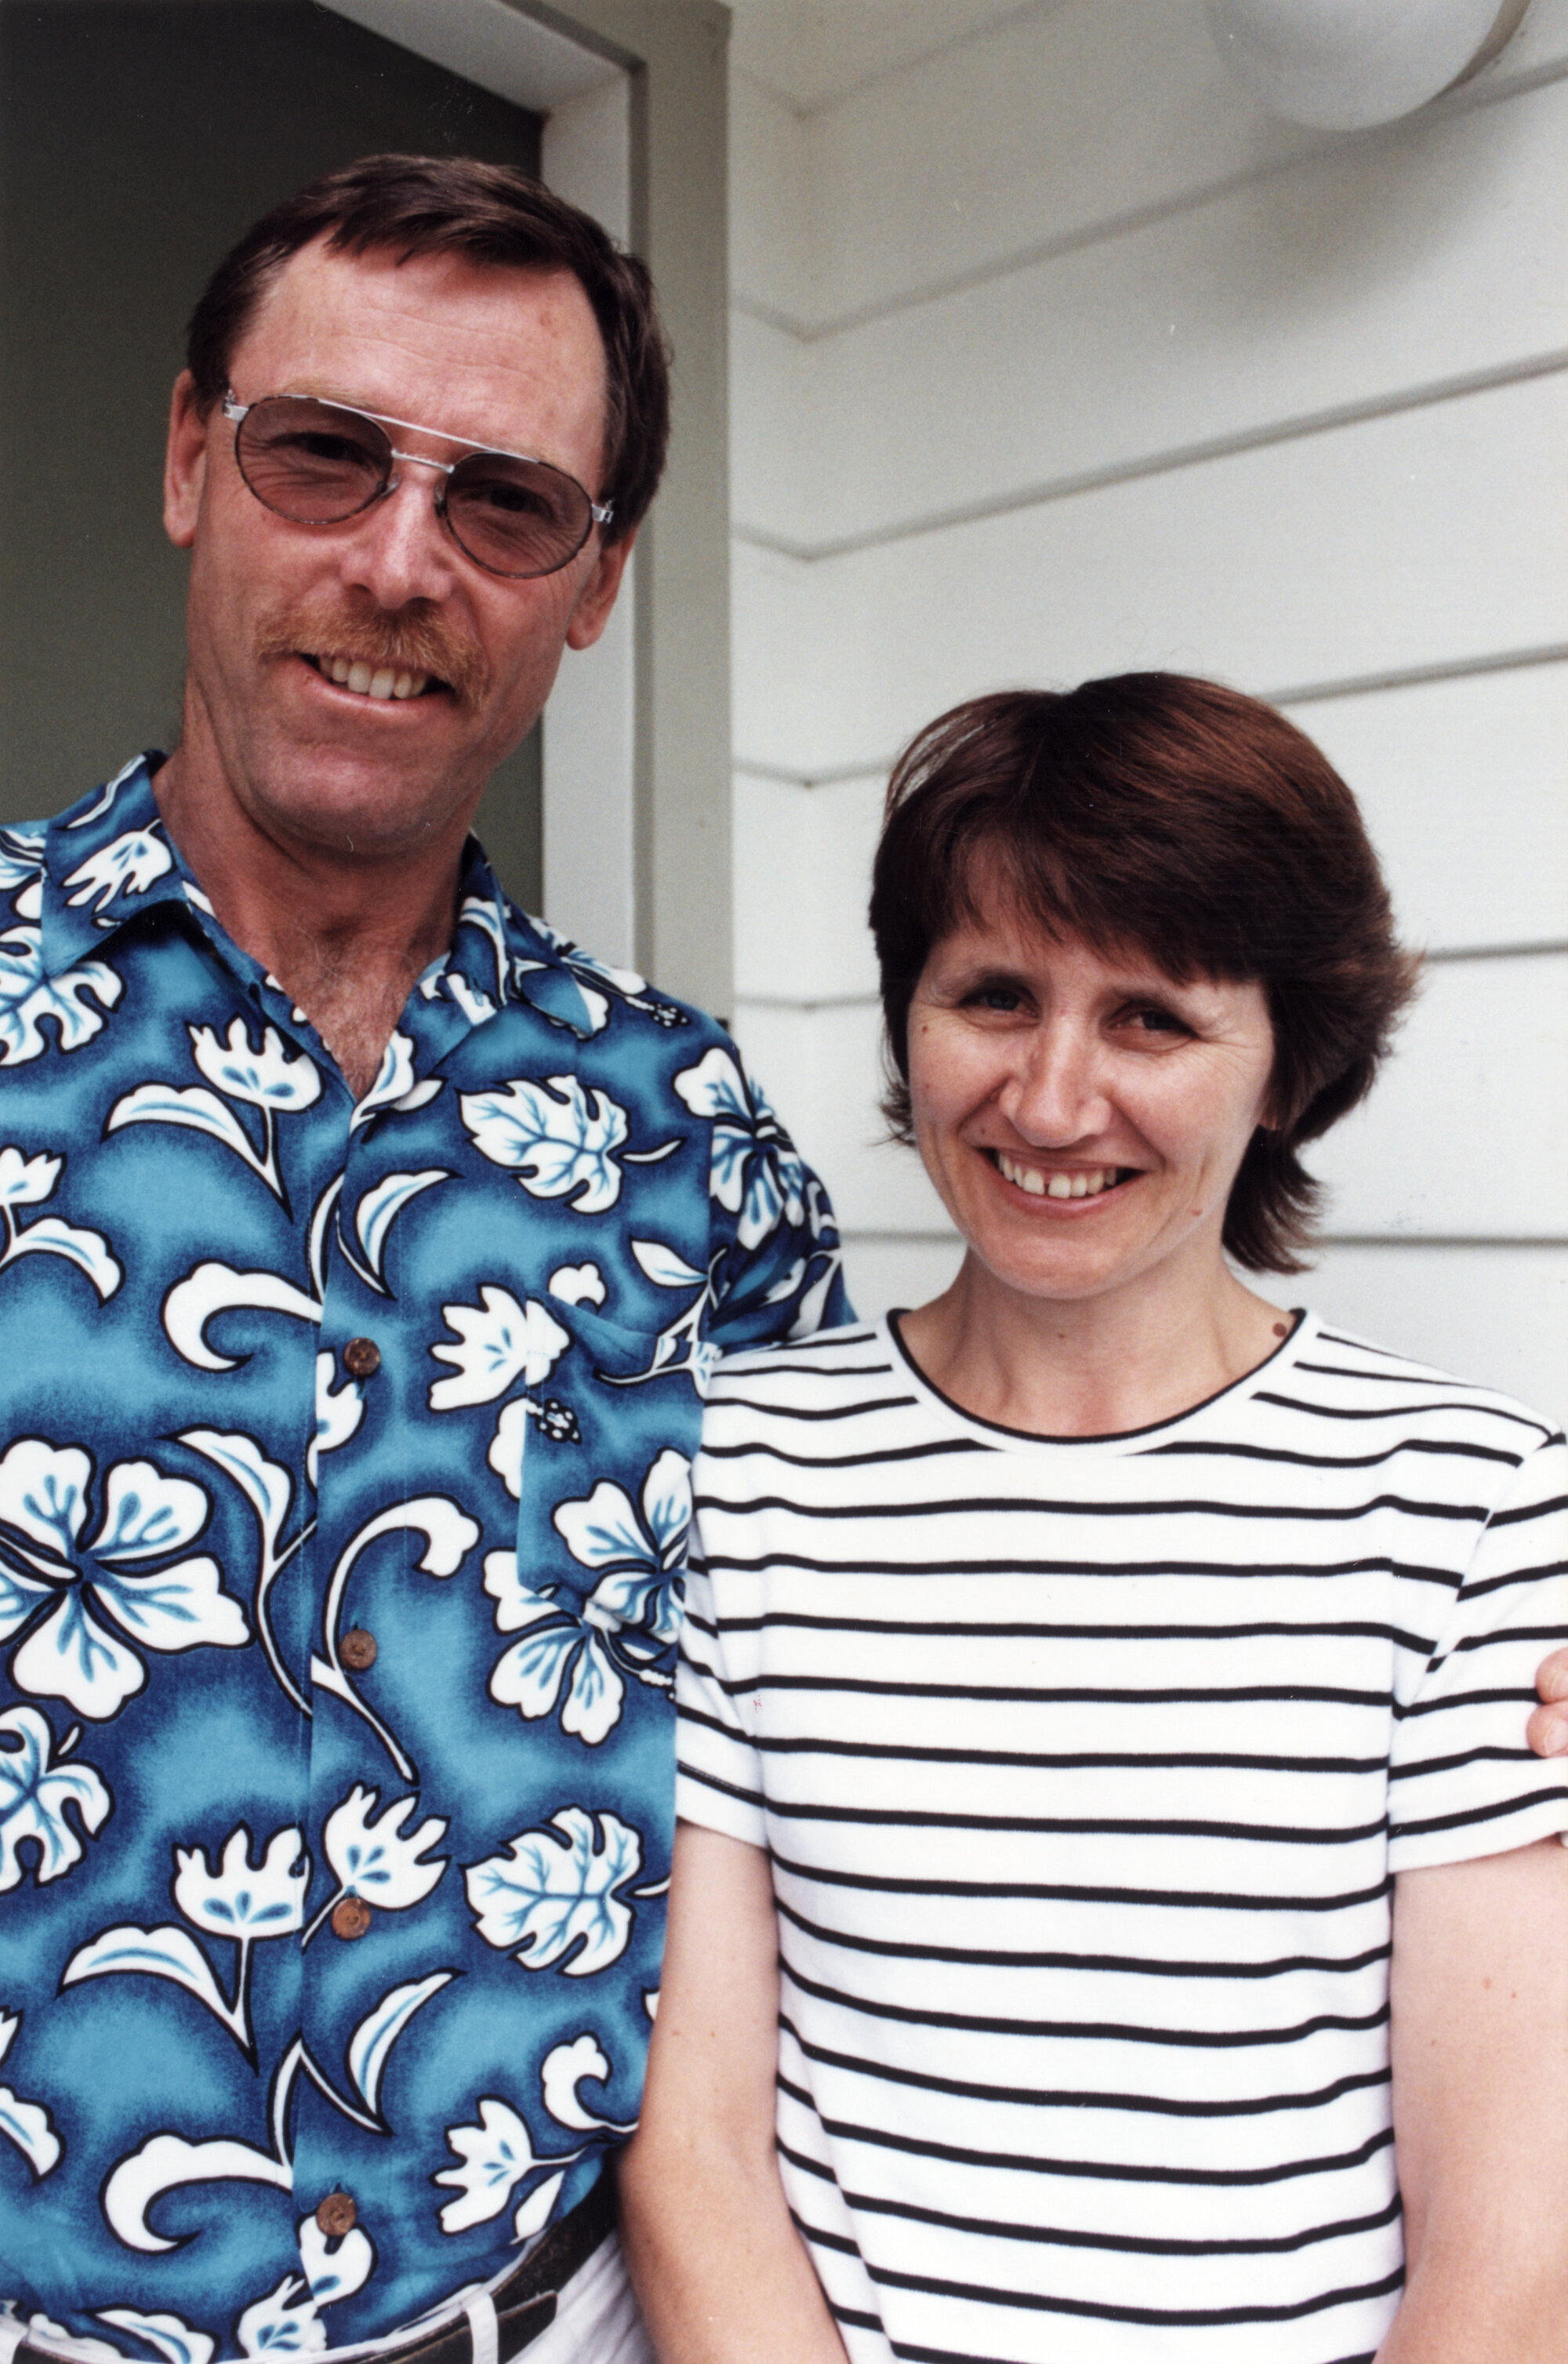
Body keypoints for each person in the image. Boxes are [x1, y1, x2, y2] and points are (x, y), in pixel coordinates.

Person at [0, 155, 847, 2364]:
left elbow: (885, 1641)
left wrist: (1440, 1684)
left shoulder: (689, 1137)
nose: (398, 561)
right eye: (326, 453)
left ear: (595, 582)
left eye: (504, 502)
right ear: (195, 459)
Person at [620, 674, 1568, 2364]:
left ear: (1288, 1068)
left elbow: (1509, 2254)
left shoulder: (1473, 1505)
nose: (1051, 1103)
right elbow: (692, 2145)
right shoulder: (738, 1468)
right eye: (993, 995)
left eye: (1151, 1018)